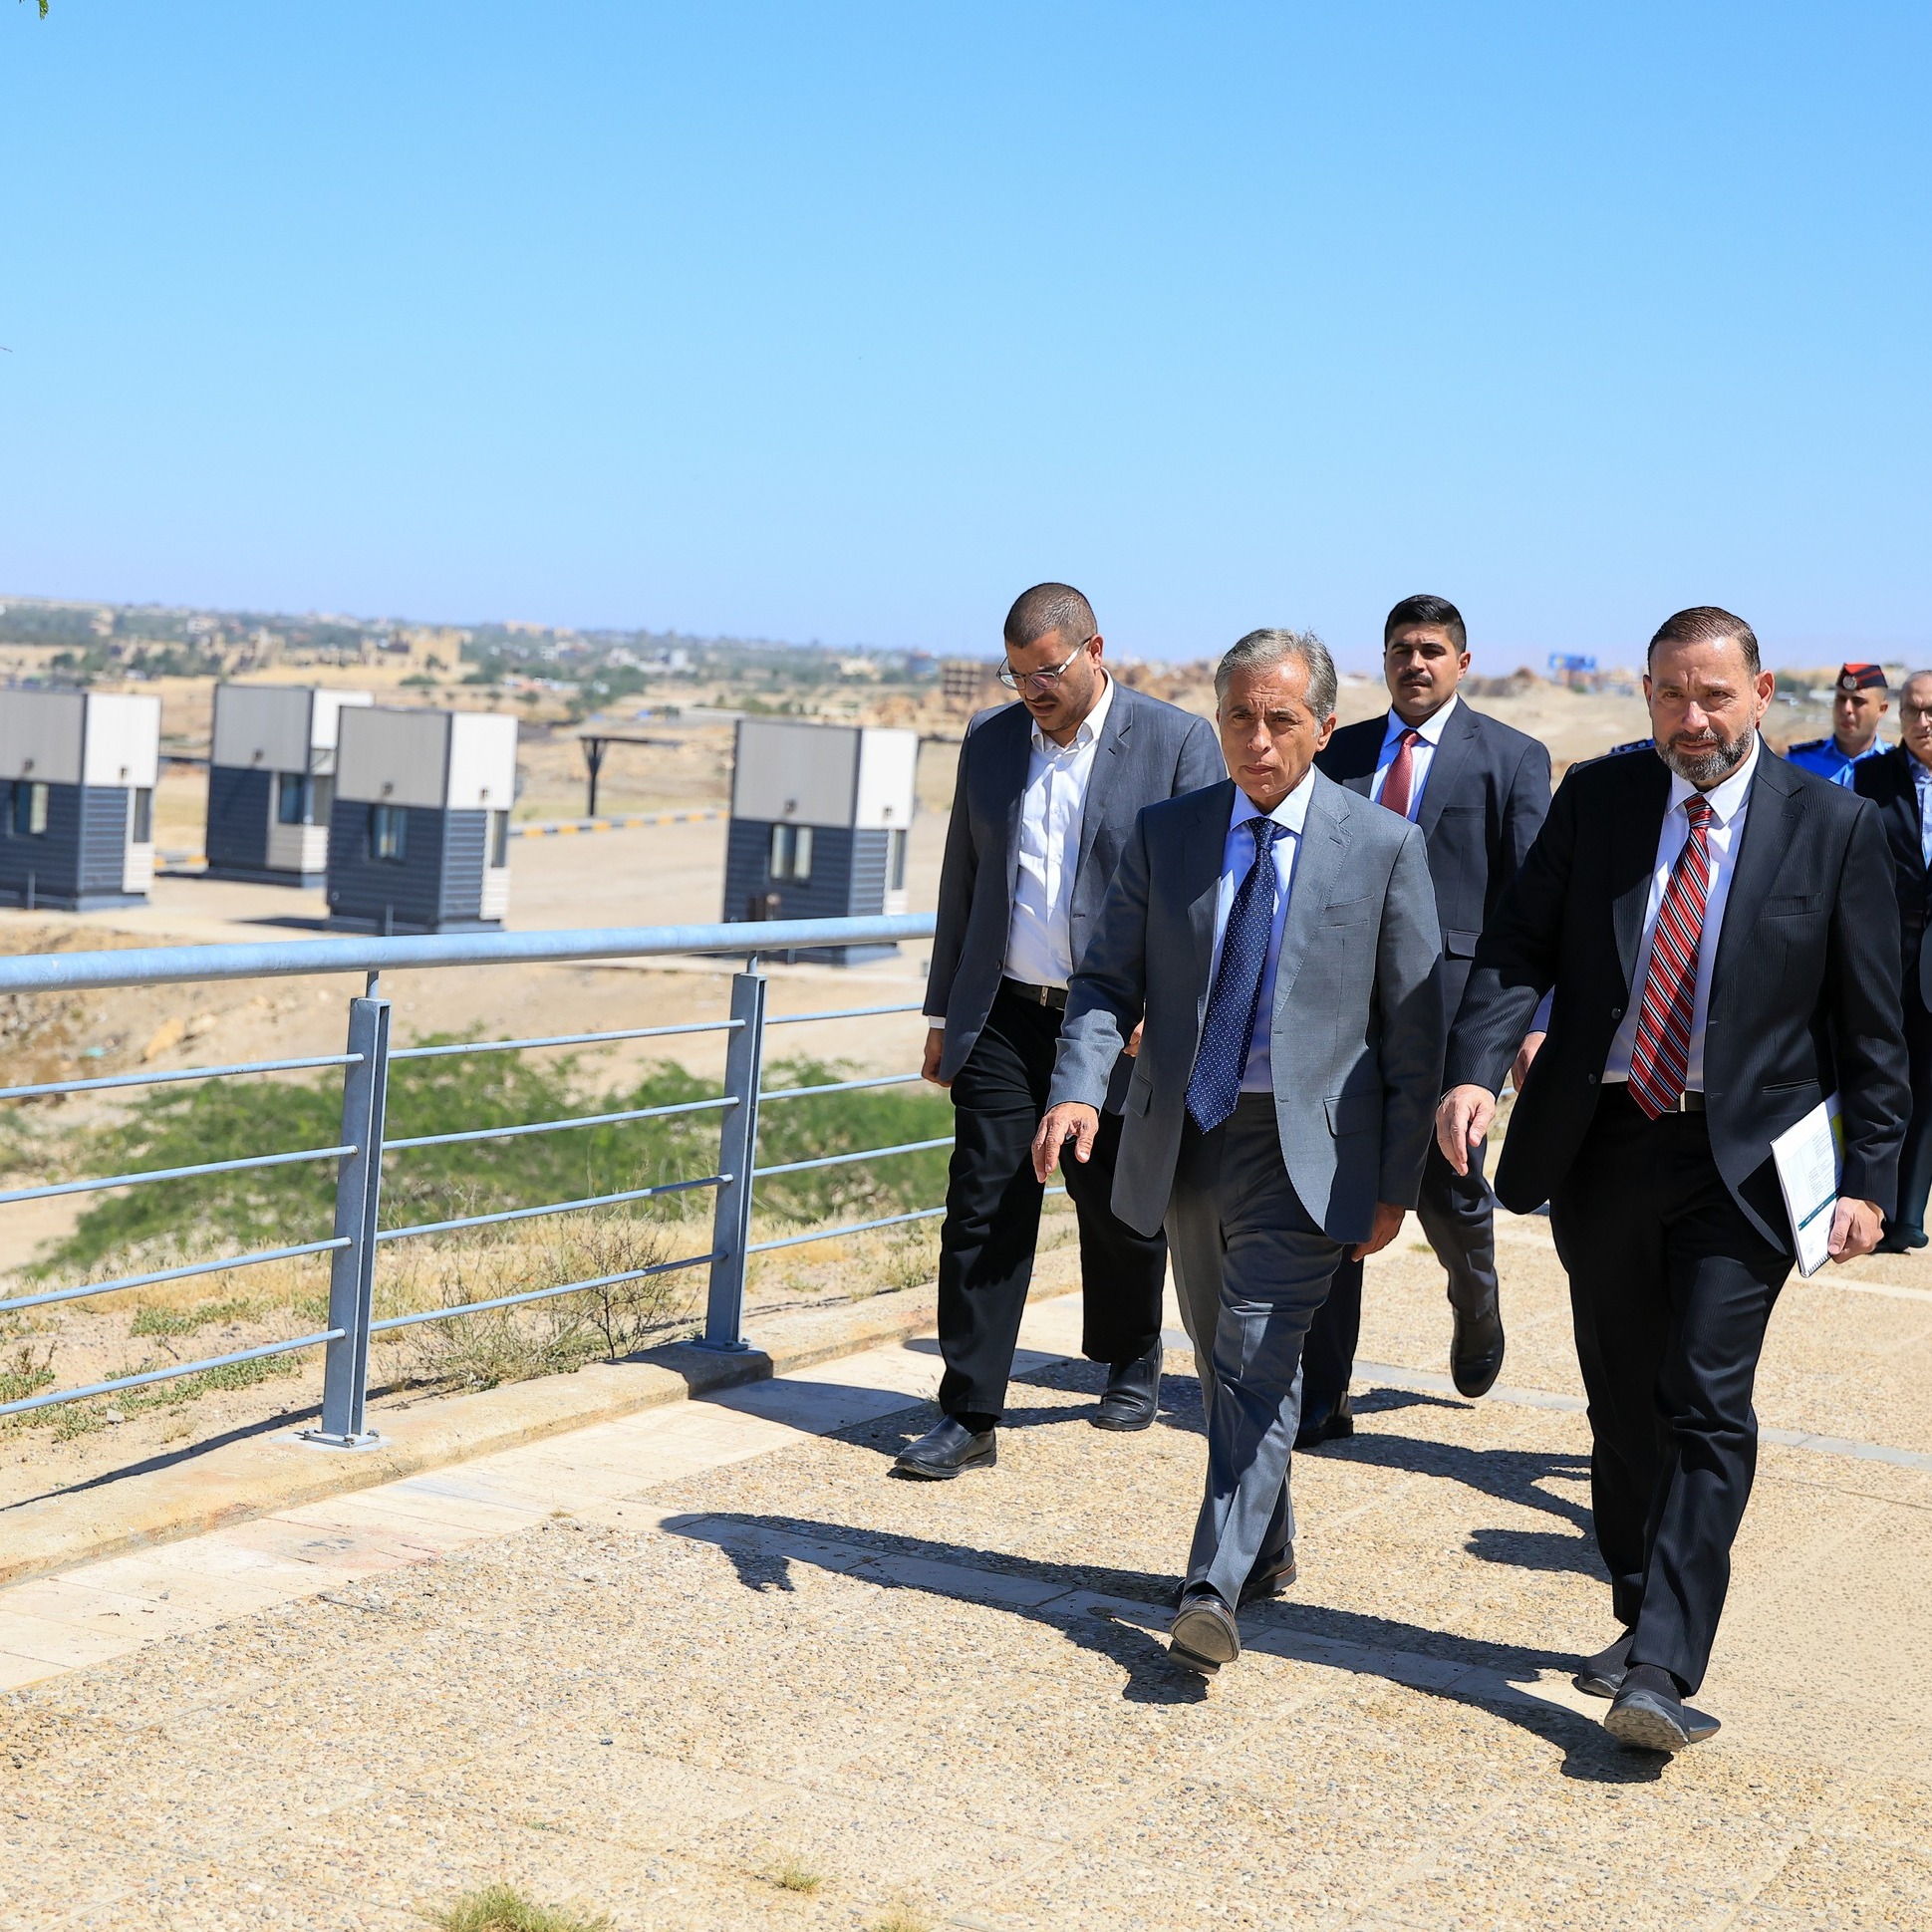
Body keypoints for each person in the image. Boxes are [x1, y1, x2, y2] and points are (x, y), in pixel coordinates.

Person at [1437, 607, 1907, 1753]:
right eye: (1669, 695)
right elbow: (1517, 944)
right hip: (1600, 1142)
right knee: (1620, 1399)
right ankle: (1639, 1602)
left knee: (1704, 1396)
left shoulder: (1833, 827)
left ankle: (1662, 1664)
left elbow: (1872, 1022)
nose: (1691, 719)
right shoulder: (1597, 800)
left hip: (1743, 1161)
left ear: (1760, 695)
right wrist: (1474, 1070)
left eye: (1713, 696)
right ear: (1646, 694)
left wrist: (1871, 1175)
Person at [1032, 629, 1443, 1675]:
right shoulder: (1168, 833)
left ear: (1324, 727)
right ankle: (1267, 1543)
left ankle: (1211, 1587)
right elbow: (1105, 981)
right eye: (1238, 718)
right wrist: (1077, 1087)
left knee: (1257, 1354)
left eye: (1280, 720)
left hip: (1308, 1150)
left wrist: (1396, 1184)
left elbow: (1413, 1032)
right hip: (1186, 1136)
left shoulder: (1382, 846)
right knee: (1225, 1362)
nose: (1257, 741)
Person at [897, 582, 1225, 1479]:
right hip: (1005, 1011)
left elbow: (1203, 894)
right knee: (983, 1200)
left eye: (1046, 671)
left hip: (1114, 1020)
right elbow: (962, 881)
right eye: (1017, 675)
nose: (1031, 691)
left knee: (1113, 1197)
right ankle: (968, 1411)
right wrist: (942, 1013)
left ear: (1094, 650)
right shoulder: (990, 740)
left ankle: (1130, 1352)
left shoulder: (1174, 742)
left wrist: (1165, 1003)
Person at [1298, 594, 1550, 1442]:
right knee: (1336, 1186)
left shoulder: (1510, 758)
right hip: (1342, 1010)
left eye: (1431, 649)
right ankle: (1322, 1393)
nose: (1414, 662)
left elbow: (1532, 908)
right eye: (1400, 648)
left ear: (1461, 662)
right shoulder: (1340, 752)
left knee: (1446, 1188)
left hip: (1452, 1016)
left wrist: (1529, 1023)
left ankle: (1475, 1302)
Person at [1853, 671, 1932, 1252]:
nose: (1922, 722)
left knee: (1928, 1085)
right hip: (1883, 954)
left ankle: (1907, 1216)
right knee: (1880, 1075)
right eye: (1913, 710)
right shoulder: (1871, 778)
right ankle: (1869, 1203)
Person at [1786, 663, 1890, 784]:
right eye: (1841, 699)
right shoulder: (1799, 762)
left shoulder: (1898, 767)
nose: (1846, 709)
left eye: (1858, 701)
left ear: (1881, 709)